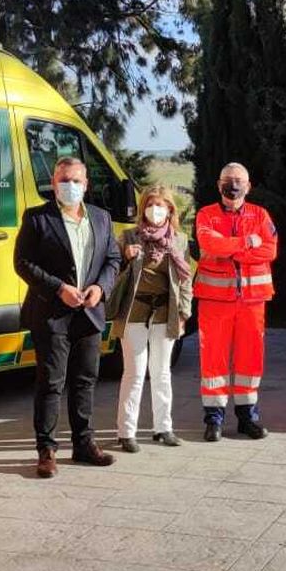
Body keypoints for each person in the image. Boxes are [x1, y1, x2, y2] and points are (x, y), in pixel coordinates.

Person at [15, 158, 123, 478]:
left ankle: (84, 443)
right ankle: (47, 450)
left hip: (89, 314)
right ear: (53, 181)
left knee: (84, 381)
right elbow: (22, 262)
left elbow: (113, 260)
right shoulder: (37, 218)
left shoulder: (102, 219)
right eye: (64, 180)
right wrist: (58, 288)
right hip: (51, 313)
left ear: (86, 184)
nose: (70, 186)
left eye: (76, 180)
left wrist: (100, 289)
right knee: (51, 382)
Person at [193, 163, 278, 442]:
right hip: (215, 300)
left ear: (249, 185)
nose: (233, 185)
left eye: (239, 180)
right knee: (213, 361)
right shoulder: (206, 215)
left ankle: (247, 418)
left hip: (252, 301)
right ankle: (213, 420)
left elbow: (270, 250)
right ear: (219, 185)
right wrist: (248, 242)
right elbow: (211, 245)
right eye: (228, 180)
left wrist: (231, 248)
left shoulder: (260, 214)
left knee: (250, 359)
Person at [106, 186, 194, 452]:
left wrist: (183, 312)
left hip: (165, 313)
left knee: (162, 373)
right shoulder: (129, 237)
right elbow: (112, 273)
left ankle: (163, 428)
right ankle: (126, 432)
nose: (155, 210)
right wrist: (125, 257)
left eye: (161, 205)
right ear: (143, 208)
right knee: (133, 373)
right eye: (150, 204)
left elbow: (185, 278)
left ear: (170, 209)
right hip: (134, 312)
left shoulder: (179, 240)